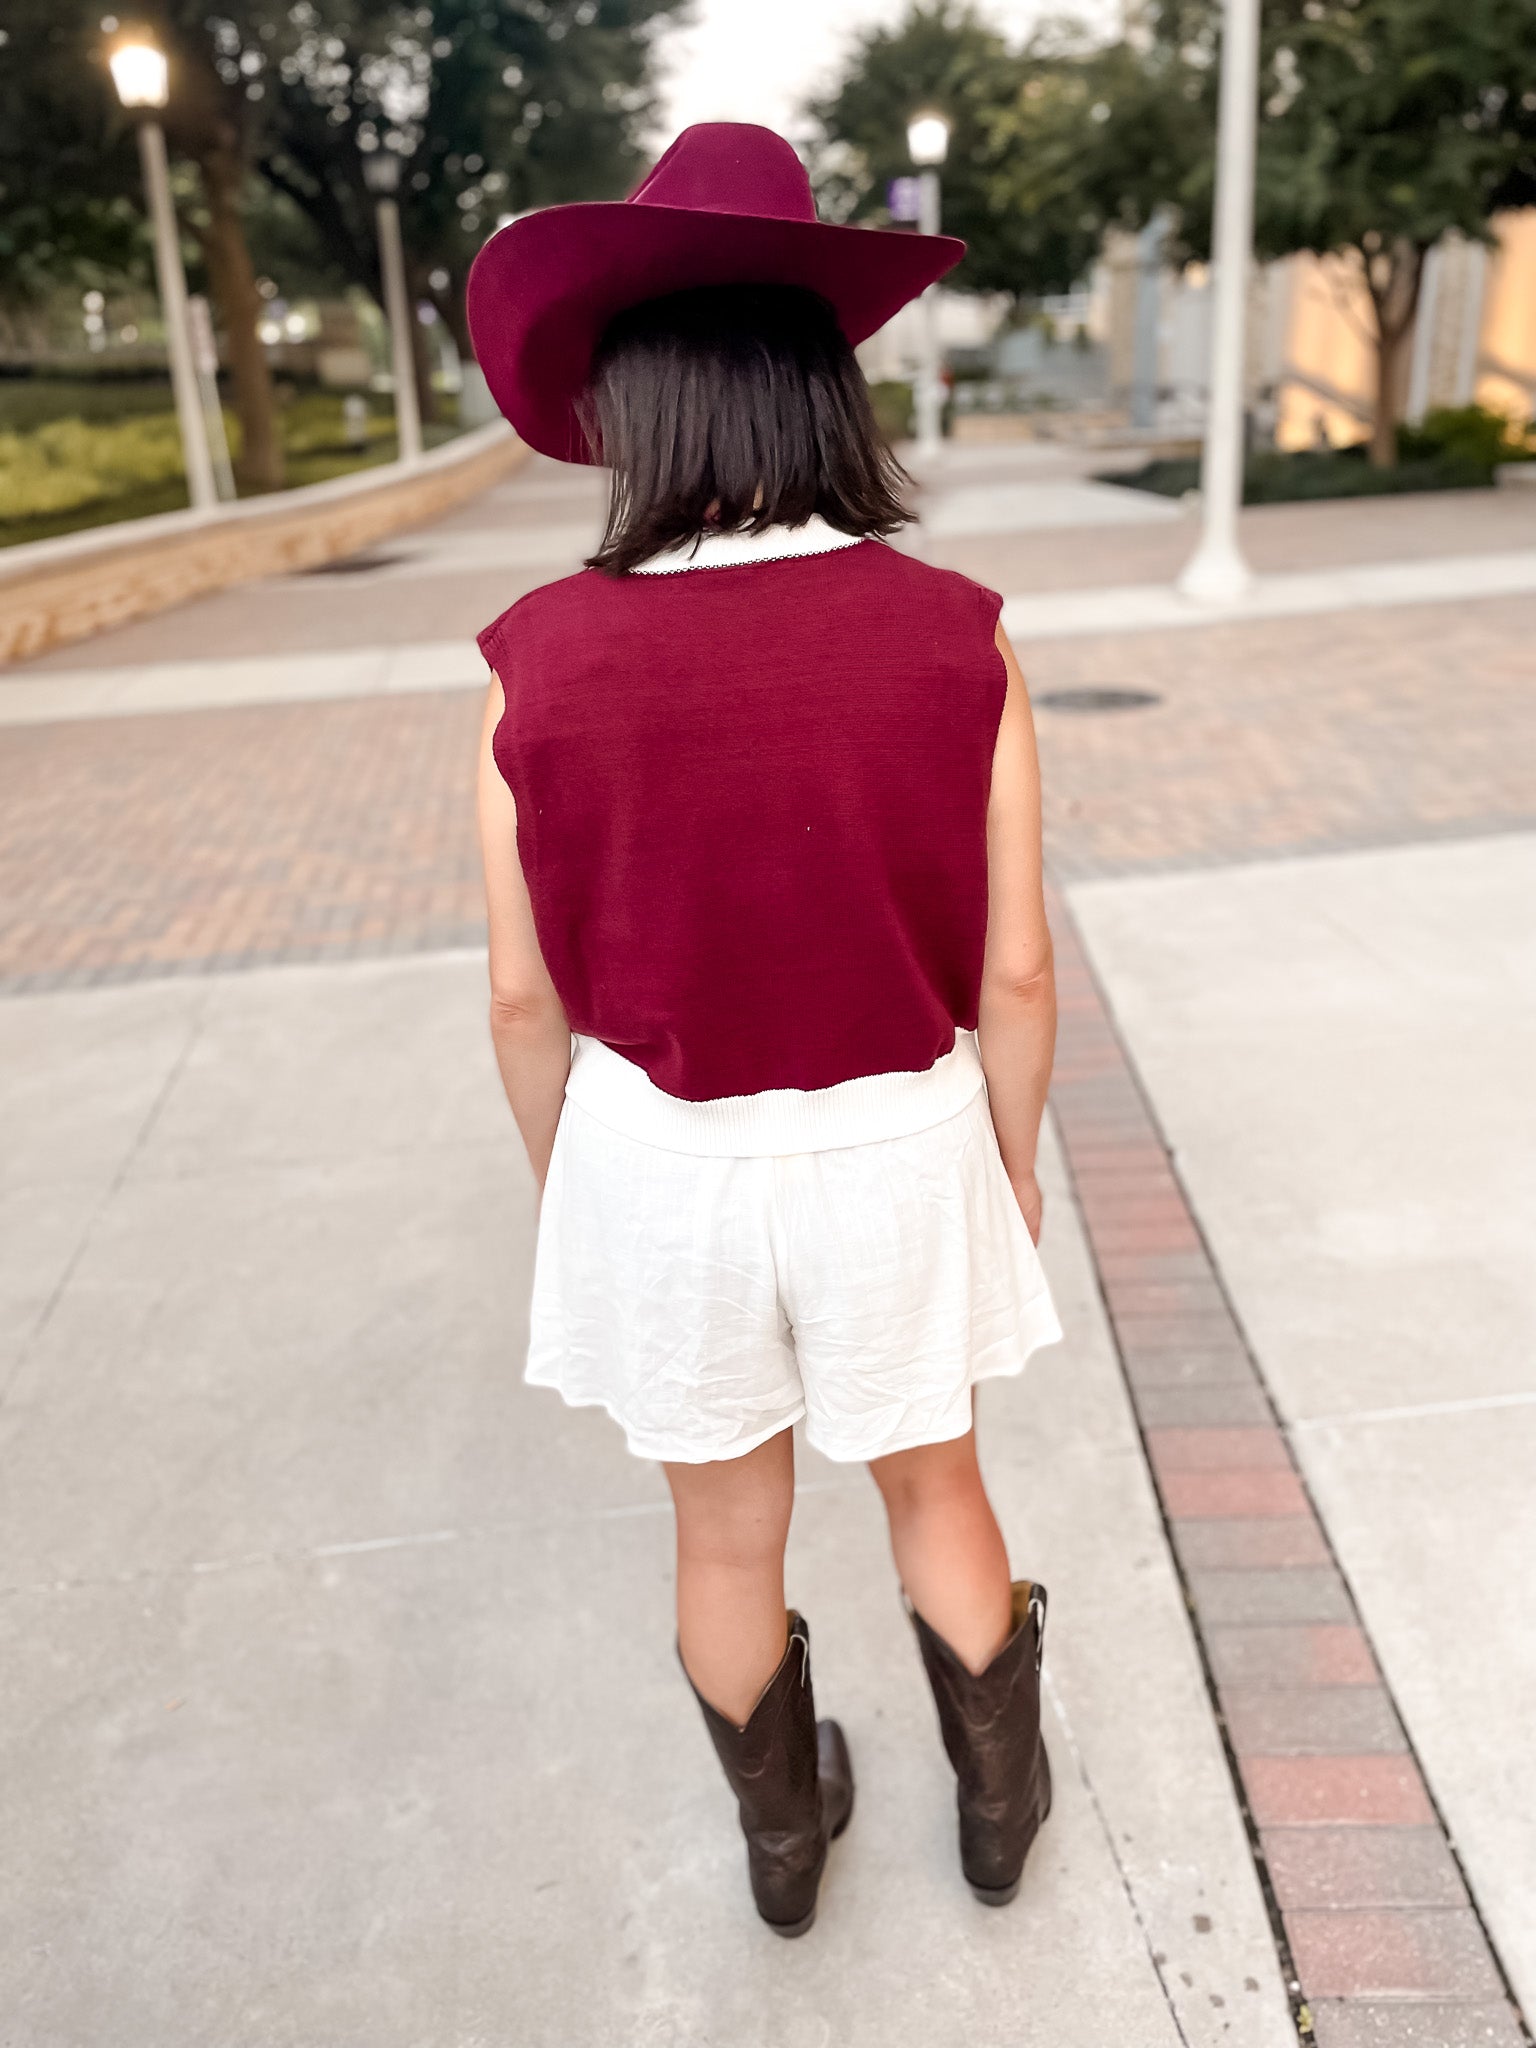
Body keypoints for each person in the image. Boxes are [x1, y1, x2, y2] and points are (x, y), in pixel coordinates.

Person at [468, 123, 1062, 1938]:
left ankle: (786, 1850)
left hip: (661, 1159)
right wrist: (1006, 1176)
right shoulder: (957, 638)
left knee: (726, 1531)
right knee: (936, 1480)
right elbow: (1021, 974)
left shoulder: (535, 660)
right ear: (828, 386)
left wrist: (590, 1189)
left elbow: (519, 996)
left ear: (628, 411)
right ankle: (997, 1814)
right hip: (898, 1138)